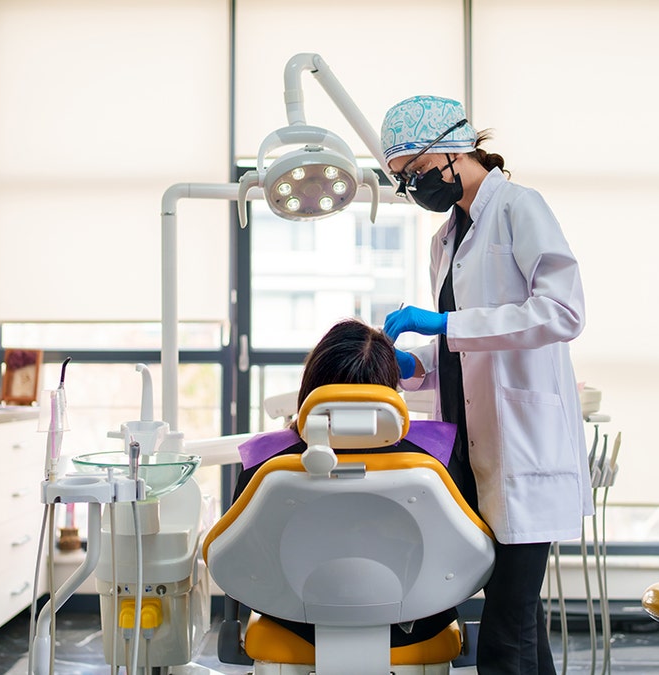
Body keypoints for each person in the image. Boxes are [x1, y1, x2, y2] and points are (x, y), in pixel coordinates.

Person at [379, 94, 592, 675]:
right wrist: (413, 363)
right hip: (474, 447)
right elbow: (463, 343)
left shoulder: (520, 207)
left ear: (453, 150)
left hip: (525, 445)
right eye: (403, 181)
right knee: (515, 619)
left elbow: (562, 312)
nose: (413, 188)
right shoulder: (444, 239)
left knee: (506, 628)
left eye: (414, 173)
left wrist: (445, 324)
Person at [232, 317, 463, 649]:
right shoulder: (434, 459)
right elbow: (458, 546)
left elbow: (245, 552)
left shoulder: (267, 463)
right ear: (391, 387)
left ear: (311, 382)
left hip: (296, 620)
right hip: (417, 620)